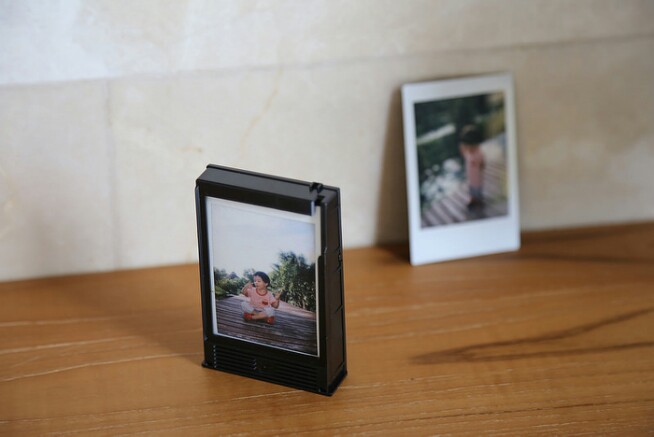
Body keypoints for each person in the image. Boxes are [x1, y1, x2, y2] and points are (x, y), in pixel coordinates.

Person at [459, 124, 486, 209]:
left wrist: (481, 167)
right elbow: (463, 153)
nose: (469, 148)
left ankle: (479, 201)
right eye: (467, 146)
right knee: (471, 189)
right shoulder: (468, 153)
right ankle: (473, 199)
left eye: (471, 146)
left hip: (477, 178)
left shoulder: (478, 153)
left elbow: (482, 163)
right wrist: (462, 147)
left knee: (477, 189)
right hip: (470, 178)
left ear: (476, 144)